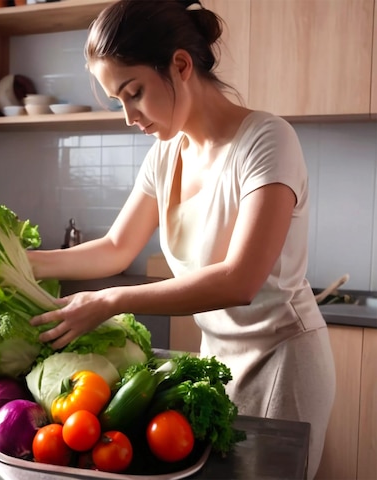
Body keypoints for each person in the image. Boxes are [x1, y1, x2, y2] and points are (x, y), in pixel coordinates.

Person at [27, 0, 335, 478]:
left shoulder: (268, 141)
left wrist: (110, 301)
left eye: (134, 93)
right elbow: (116, 247)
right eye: (118, 101)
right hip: (216, 362)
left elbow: (240, 279)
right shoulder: (165, 155)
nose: (129, 116)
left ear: (181, 64)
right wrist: (20, 263)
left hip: (281, 361)